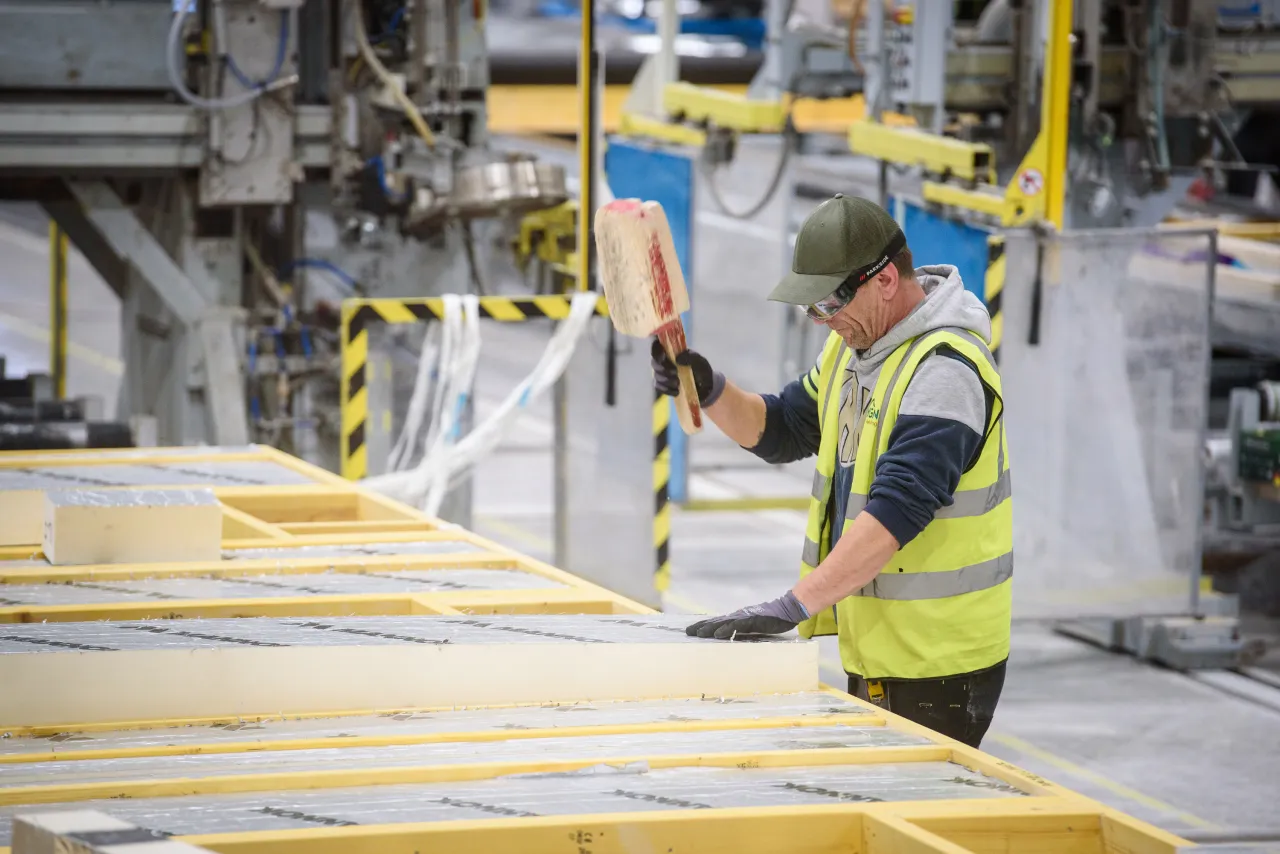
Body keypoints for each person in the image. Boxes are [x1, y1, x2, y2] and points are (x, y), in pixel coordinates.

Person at [652, 194, 1012, 747]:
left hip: (940, 665)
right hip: (879, 652)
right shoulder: (855, 348)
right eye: (812, 309)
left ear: (885, 280)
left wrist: (793, 606)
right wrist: (710, 390)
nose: (825, 320)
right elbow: (786, 428)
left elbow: (896, 512)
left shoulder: (945, 370)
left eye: (830, 303)